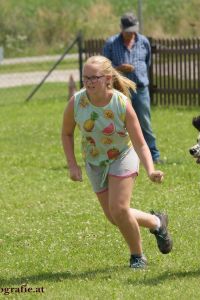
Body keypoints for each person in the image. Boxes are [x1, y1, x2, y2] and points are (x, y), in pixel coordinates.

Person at [61, 55, 172, 269]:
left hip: (122, 154)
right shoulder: (77, 102)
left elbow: (140, 143)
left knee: (120, 209)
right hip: (95, 160)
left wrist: (150, 170)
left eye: (95, 77)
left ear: (108, 79)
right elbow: (66, 134)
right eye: (86, 78)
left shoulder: (121, 102)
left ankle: (137, 257)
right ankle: (157, 222)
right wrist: (72, 164)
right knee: (115, 217)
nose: (89, 82)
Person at [103, 12, 164, 164]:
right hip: (118, 90)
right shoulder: (111, 43)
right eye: (128, 31)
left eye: (133, 30)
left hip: (140, 89)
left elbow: (148, 62)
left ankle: (154, 156)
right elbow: (103, 68)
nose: (131, 34)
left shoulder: (143, 41)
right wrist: (119, 68)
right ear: (121, 29)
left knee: (145, 122)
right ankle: (118, 155)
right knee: (117, 123)